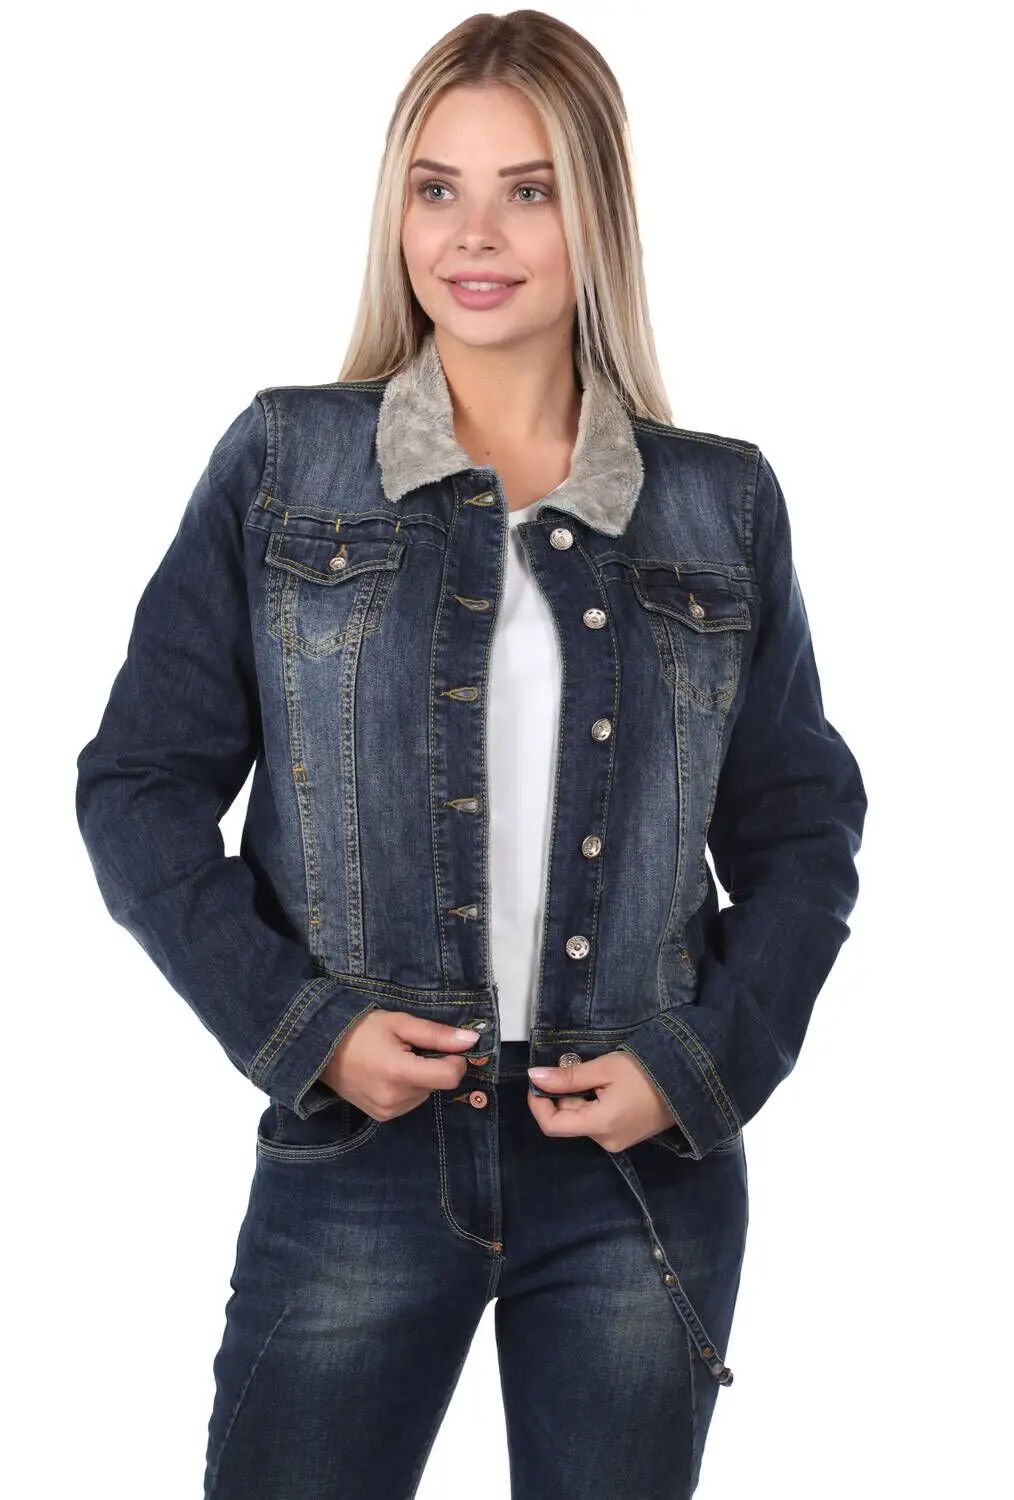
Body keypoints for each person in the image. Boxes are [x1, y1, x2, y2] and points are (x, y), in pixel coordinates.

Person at [74, 11, 867, 1499]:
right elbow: (138, 786)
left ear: (597, 214)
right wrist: (304, 1031)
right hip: (359, 1157)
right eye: (436, 188)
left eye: (529, 188)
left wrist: (701, 1065)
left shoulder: (719, 506)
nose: (473, 235)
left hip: (638, 1172)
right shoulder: (285, 464)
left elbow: (802, 830)